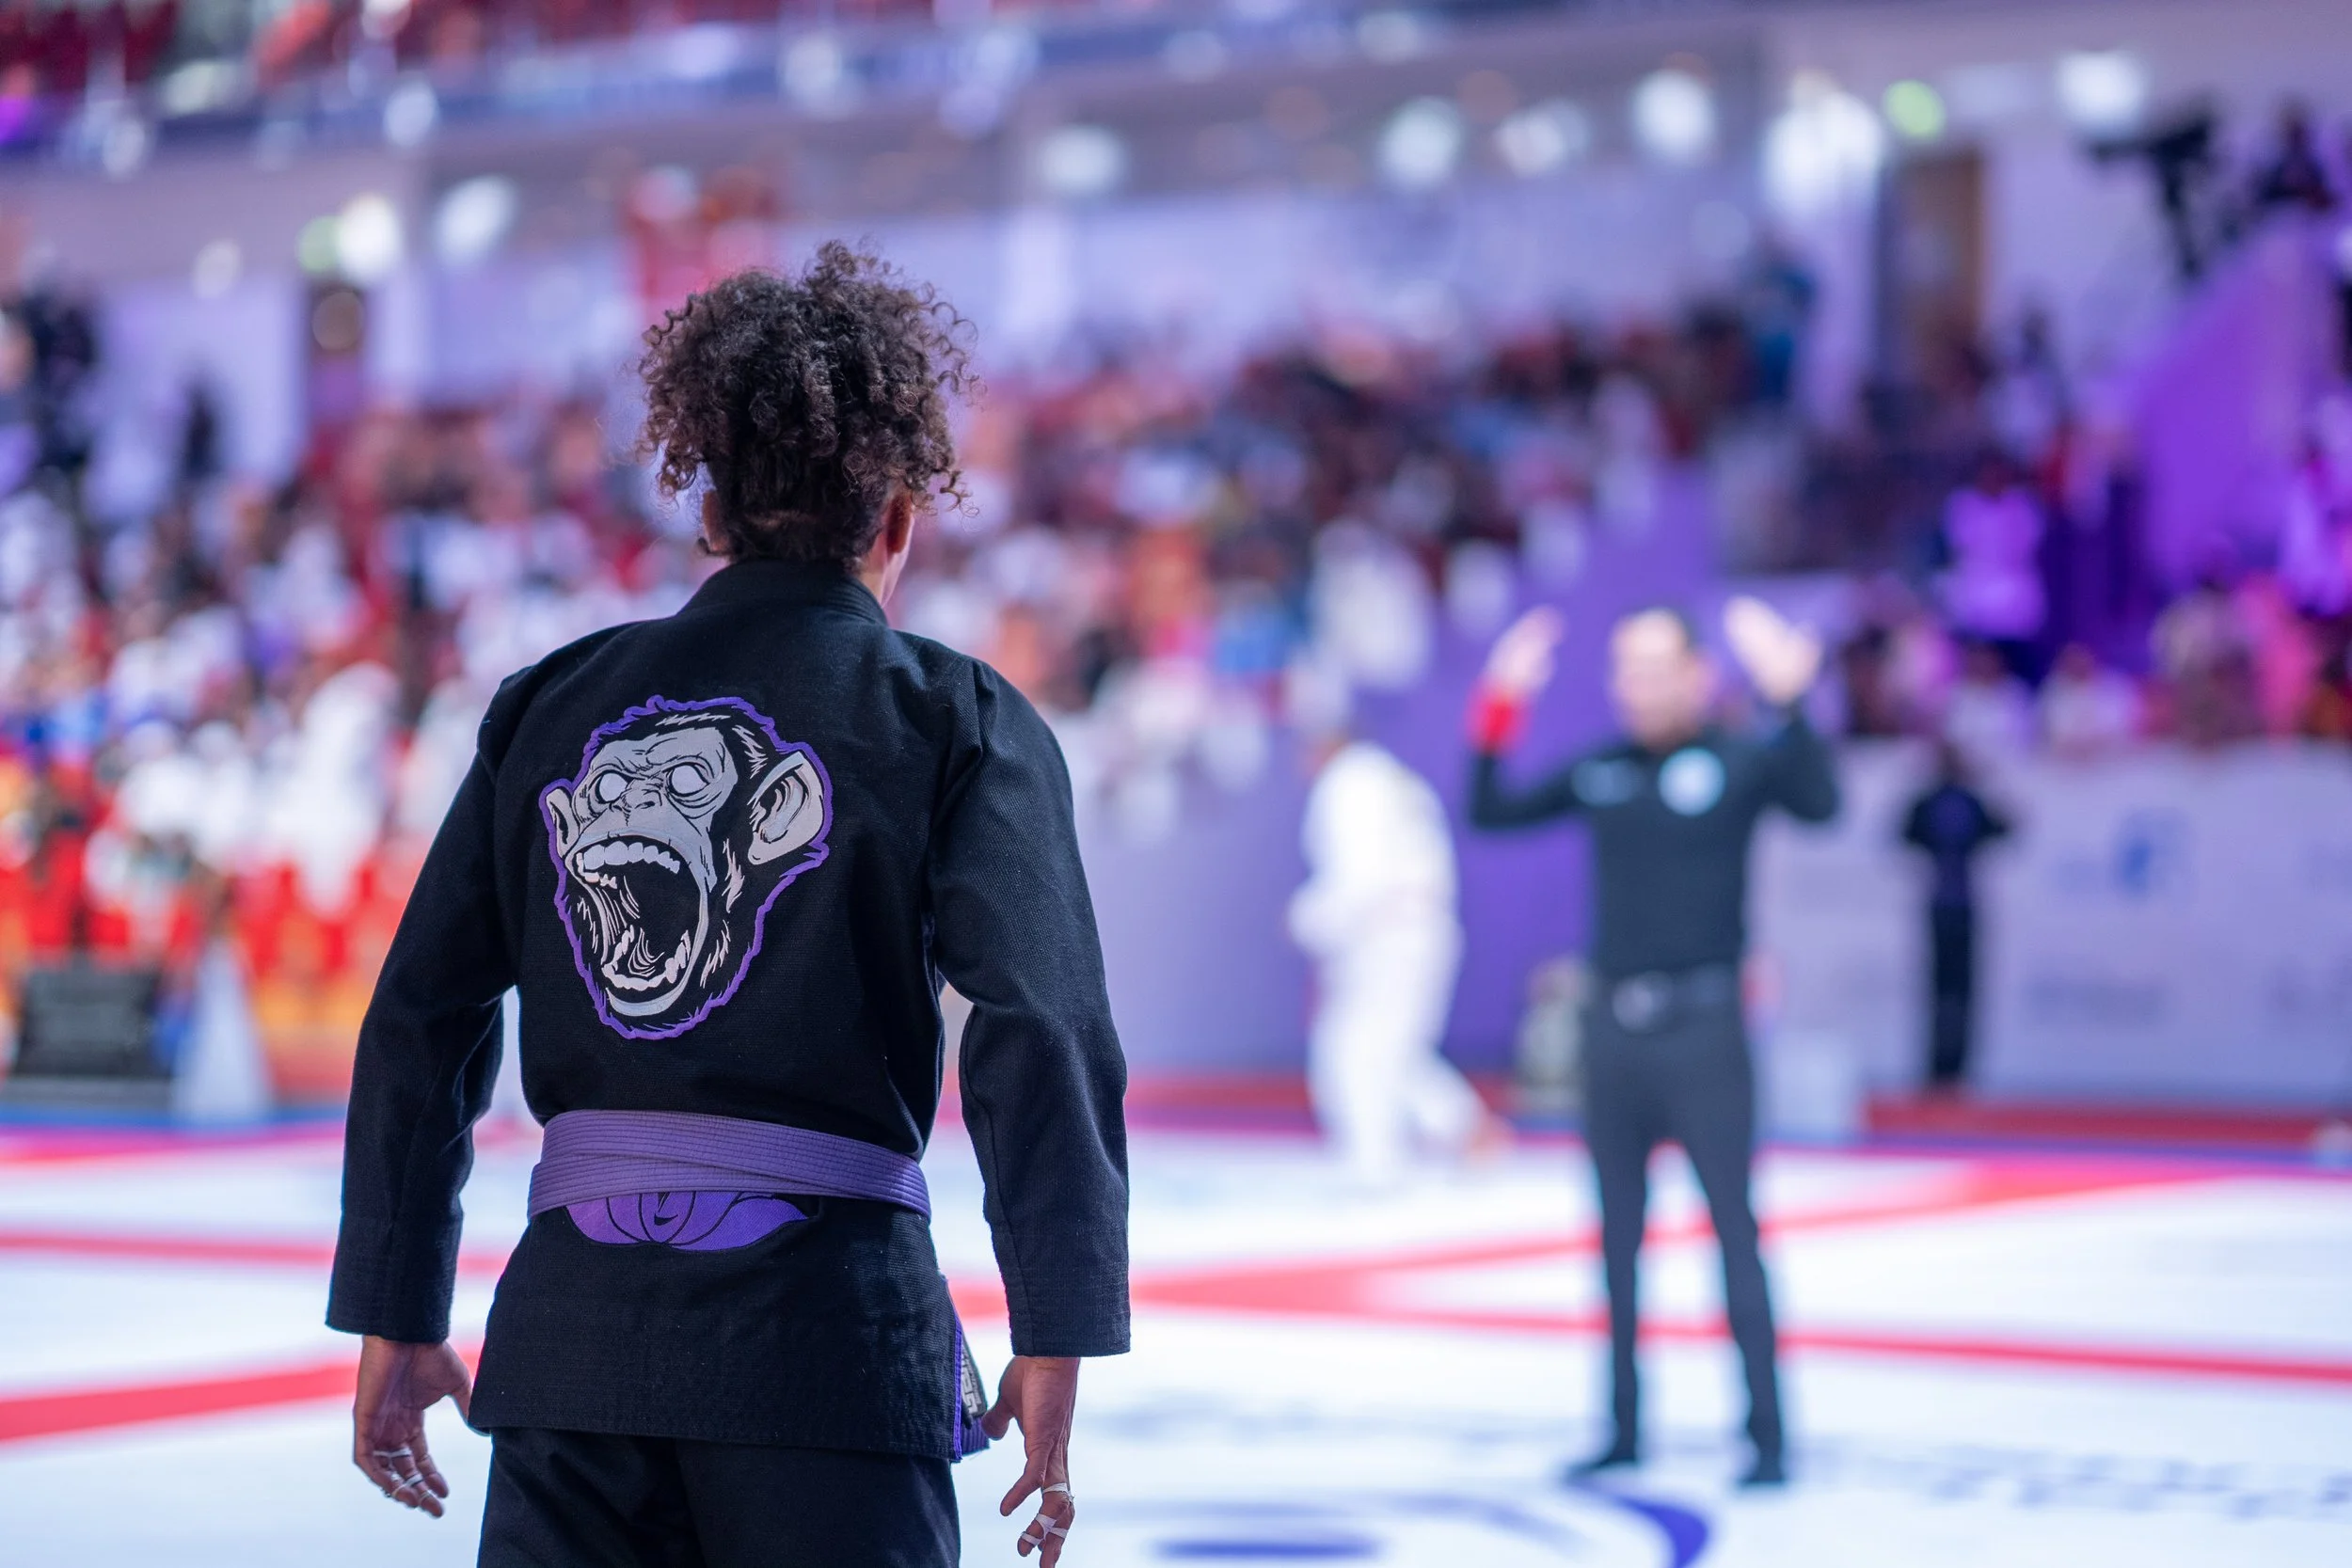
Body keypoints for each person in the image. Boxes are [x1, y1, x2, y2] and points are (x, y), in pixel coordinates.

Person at [326, 247, 1131, 1568]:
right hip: (827, 1352)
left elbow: (425, 1009)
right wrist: (1058, 1319)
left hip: (573, 1350)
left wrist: (398, 1301)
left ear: (710, 511)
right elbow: (1037, 1017)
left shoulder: (549, 702)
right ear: (898, 522)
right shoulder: (952, 715)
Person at [1466, 597, 1838, 1489]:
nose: (1638, 685)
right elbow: (1492, 808)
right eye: (1625, 668)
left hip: (1705, 1027)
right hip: (1614, 1032)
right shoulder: (1605, 767)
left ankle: (1767, 1435)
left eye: (1656, 665)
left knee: (1733, 1229)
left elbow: (1821, 803)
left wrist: (1791, 701)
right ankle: (1623, 1428)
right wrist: (1500, 701)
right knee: (1617, 1238)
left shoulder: (1738, 758)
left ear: (1699, 674)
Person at [1288, 721, 1496, 1186]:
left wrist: (1307, 922)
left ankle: (1374, 1166)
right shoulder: (1398, 780)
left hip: (1381, 932)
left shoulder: (1347, 783)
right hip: (1423, 926)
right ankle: (1461, 1127)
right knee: (1394, 1051)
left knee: (1353, 1051)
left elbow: (1358, 878)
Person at [1900, 741, 2013, 1092]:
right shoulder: (1952, 800)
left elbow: (2005, 827)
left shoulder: (1952, 800)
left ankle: (1950, 1070)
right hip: (1950, 903)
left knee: (1952, 992)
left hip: (1955, 904)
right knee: (1948, 992)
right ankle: (1944, 1069)